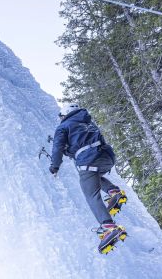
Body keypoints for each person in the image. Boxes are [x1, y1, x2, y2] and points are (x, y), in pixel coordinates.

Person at [49, 103, 128, 252]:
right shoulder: (87, 122)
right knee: (94, 176)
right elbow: (80, 144)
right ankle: (114, 192)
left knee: (91, 194)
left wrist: (55, 166)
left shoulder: (63, 127)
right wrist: (69, 151)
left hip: (88, 160)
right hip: (107, 157)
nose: (61, 119)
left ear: (65, 113)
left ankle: (109, 227)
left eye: (62, 116)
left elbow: (57, 147)